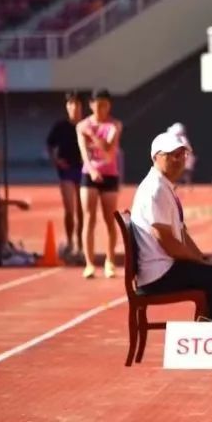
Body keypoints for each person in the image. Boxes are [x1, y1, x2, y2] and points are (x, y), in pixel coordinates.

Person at [130, 131, 212, 322]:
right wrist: (196, 260)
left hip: (164, 268)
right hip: (160, 274)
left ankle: (208, 329)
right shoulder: (155, 189)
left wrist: (200, 258)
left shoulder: (163, 186)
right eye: (174, 154)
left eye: (183, 154)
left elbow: (181, 231)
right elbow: (166, 240)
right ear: (157, 157)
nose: (180, 160)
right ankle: (210, 336)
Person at [76, 88, 122, 279]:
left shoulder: (114, 125)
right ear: (91, 105)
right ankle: (89, 263)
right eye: (97, 104)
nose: (100, 108)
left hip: (110, 175)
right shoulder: (82, 125)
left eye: (104, 104)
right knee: (89, 219)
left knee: (110, 219)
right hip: (89, 175)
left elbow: (109, 151)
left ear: (109, 105)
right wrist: (92, 169)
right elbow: (83, 152)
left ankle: (110, 261)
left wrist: (93, 136)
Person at [46, 91, 85, 258]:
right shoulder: (60, 126)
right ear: (67, 107)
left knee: (82, 210)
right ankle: (70, 242)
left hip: (83, 170)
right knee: (70, 209)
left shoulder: (86, 125)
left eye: (77, 104)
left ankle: (81, 243)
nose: (74, 108)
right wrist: (56, 160)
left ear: (82, 107)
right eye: (70, 104)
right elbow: (49, 144)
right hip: (66, 170)